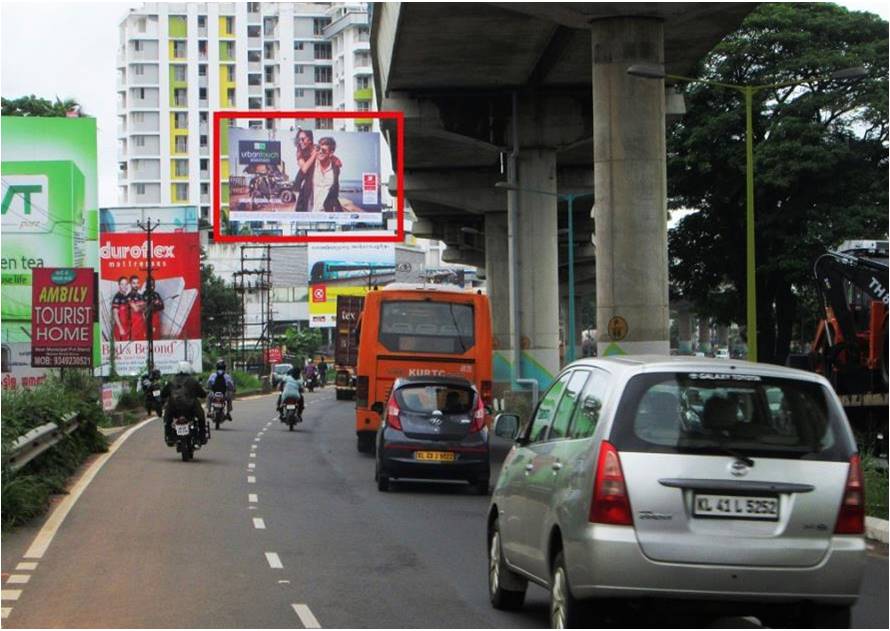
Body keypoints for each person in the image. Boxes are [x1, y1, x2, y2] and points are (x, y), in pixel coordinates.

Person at [161, 361, 207, 446]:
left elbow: (163, 394)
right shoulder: (193, 381)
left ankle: (169, 436)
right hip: (191, 408)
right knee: (201, 417)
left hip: (174, 409)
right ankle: (202, 436)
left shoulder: (171, 381)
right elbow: (202, 394)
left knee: (167, 419)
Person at [312, 137, 343, 212]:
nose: (320, 152)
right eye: (319, 149)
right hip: (312, 213)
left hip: (328, 213)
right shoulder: (312, 166)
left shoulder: (335, 168)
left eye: (324, 150)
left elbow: (335, 189)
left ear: (331, 153)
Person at [112, 276, 131, 341]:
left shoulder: (126, 297)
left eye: (126, 284)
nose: (124, 286)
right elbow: (115, 314)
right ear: (119, 285)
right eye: (122, 284)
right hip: (120, 327)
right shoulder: (117, 297)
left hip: (127, 326)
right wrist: (120, 328)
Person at [129, 275, 147, 340]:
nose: (136, 285)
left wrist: (138, 304)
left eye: (137, 283)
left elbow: (145, 306)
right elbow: (136, 309)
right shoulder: (129, 295)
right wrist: (142, 304)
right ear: (130, 284)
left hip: (142, 320)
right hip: (134, 322)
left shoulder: (140, 295)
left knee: (143, 340)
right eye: (134, 283)